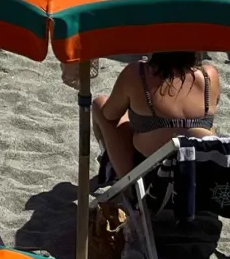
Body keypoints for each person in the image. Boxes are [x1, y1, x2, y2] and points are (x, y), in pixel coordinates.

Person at [93, 52, 223, 179]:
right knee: (204, 127)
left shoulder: (137, 73)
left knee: (100, 105)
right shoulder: (209, 75)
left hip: (151, 178)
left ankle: (125, 186)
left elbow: (109, 114)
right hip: (201, 175)